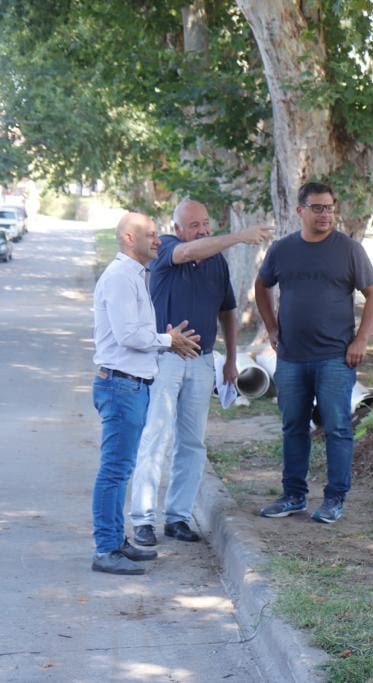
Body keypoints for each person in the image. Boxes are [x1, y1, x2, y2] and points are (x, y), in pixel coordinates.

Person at [129, 200, 274, 547]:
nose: (203, 230)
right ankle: (143, 519)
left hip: (202, 360)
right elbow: (188, 252)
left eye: (206, 223)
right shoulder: (166, 247)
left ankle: (178, 517)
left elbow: (227, 311)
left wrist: (230, 360)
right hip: (165, 359)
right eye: (194, 225)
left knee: (192, 442)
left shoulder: (217, 263)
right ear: (178, 230)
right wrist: (238, 236)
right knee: (156, 438)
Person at [254, 182, 373, 524]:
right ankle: (293, 495)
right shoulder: (282, 250)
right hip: (291, 357)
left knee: (338, 427)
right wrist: (271, 327)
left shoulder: (348, 250)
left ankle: (334, 499)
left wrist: (362, 339)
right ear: (300, 211)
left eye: (329, 207)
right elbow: (261, 285)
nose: (325, 214)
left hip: (335, 358)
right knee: (293, 425)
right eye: (317, 208)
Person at [91, 212, 201, 575]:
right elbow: (129, 336)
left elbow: (136, 332)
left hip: (131, 384)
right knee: (115, 471)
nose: (158, 240)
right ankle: (106, 549)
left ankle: (116, 542)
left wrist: (165, 340)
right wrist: (167, 341)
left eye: (157, 234)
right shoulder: (122, 277)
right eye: (150, 235)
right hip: (121, 385)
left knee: (120, 471)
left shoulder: (135, 275)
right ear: (127, 237)